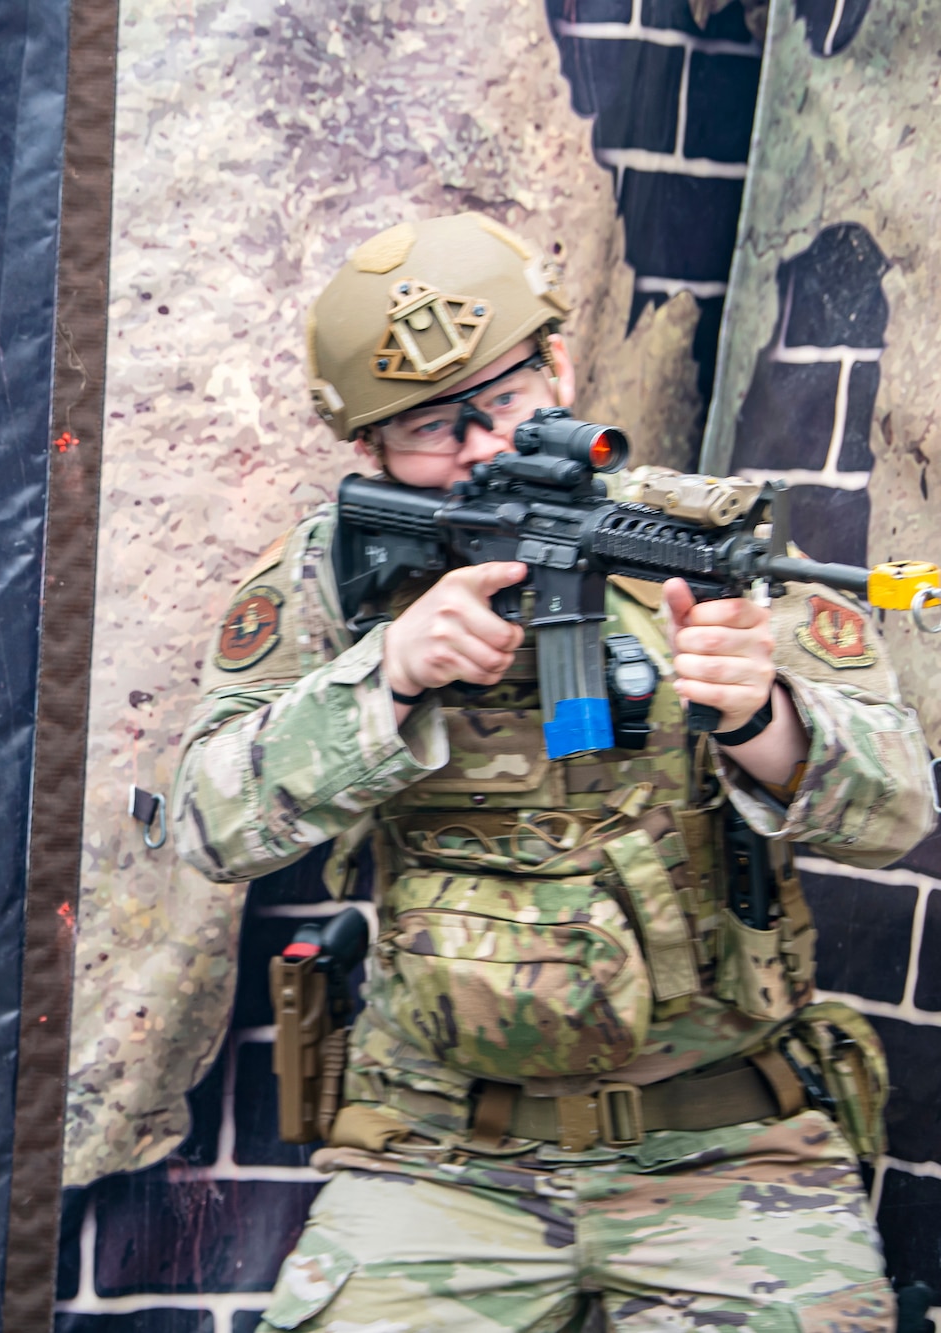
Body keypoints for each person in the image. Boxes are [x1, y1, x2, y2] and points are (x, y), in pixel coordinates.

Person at [170, 213, 935, 1331]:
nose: (480, 447)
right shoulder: (332, 584)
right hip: (438, 1154)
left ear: (560, 368)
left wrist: (763, 720)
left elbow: (898, 809)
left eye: (505, 400)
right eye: (431, 425)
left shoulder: (712, 549)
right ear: (369, 453)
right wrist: (380, 682)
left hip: (725, 1146)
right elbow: (203, 821)